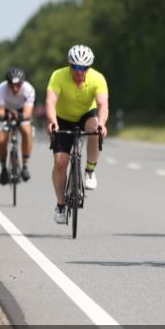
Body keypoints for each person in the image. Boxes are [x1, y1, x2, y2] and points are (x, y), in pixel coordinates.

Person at [45, 45, 109, 223]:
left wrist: (102, 124)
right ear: (69, 65)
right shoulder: (58, 76)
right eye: (76, 67)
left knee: (95, 128)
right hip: (63, 118)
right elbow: (50, 102)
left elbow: (103, 105)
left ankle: (89, 170)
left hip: (86, 115)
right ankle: (60, 205)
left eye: (84, 68)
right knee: (60, 163)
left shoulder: (97, 78)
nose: (80, 72)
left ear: (89, 68)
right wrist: (52, 122)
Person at [0, 67, 36, 185]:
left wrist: (20, 116)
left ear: (23, 82)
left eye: (18, 84)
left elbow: (28, 113)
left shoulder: (28, 89)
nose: (15, 88)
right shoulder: (1, 88)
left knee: (26, 132)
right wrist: (6, 116)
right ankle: (3, 169)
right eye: (12, 85)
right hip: (6, 111)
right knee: (1, 139)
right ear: (7, 83)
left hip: (22, 112)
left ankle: (25, 166)